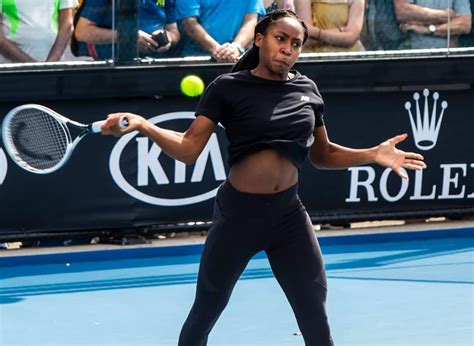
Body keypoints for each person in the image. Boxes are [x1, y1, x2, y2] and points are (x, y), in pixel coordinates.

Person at [101, 9, 426, 345]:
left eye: (296, 44)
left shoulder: (307, 90)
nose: (287, 48)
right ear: (259, 40)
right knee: (206, 309)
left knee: (314, 312)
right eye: (280, 39)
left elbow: (323, 154)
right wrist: (143, 125)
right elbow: (188, 149)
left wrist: (372, 154)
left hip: (288, 216)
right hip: (238, 216)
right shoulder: (227, 88)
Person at [73, 0, 180, 60]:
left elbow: (173, 31)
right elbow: (81, 32)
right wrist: (129, 36)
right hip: (112, 69)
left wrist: (168, 38)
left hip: (153, 70)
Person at [175, 0, 265, 62]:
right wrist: (217, 50)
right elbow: (189, 24)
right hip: (197, 60)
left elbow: (251, 21)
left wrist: (236, 47)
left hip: (237, 60)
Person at [0, 0, 77, 63]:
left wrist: (51, 63)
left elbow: (67, 25)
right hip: (11, 68)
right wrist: (33, 66)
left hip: (53, 67)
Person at [394, 0, 471, 49]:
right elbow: (403, 12)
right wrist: (444, 15)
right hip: (412, 56)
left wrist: (428, 29)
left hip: (447, 58)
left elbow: (465, 25)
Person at [295, 0, 365, 52]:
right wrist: (340, 31)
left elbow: (350, 38)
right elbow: (307, 40)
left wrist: (315, 33)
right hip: (315, 58)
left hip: (349, 58)